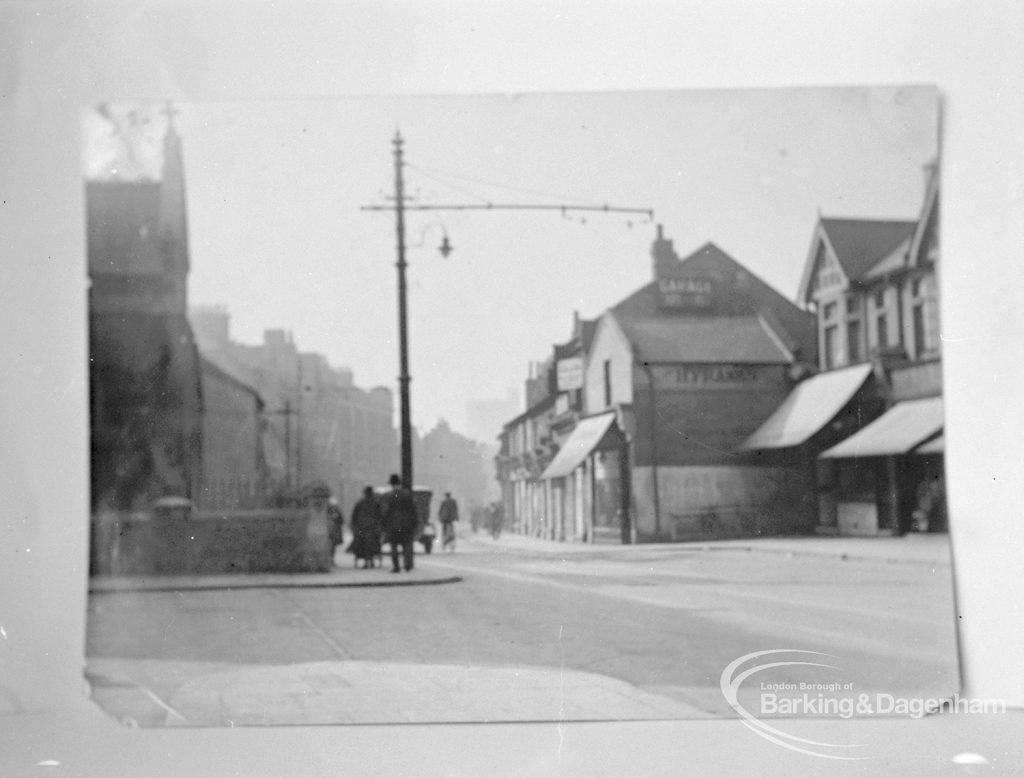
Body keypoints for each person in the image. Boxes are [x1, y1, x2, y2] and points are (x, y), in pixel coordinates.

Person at [382, 473, 418, 572]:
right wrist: (414, 523)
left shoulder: (389, 496)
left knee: (393, 546)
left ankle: (396, 567)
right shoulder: (407, 494)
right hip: (406, 524)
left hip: (393, 525)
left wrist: (384, 523)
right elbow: (413, 510)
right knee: (406, 545)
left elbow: (386, 511)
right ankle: (407, 565)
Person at [348, 485, 382, 568]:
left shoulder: (360, 503)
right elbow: (380, 515)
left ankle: (366, 560)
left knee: (362, 544)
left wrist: (355, 526)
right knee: (372, 544)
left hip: (361, 528)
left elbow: (354, 516)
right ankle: (371, 559)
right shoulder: (376, 503)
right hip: (373, 528)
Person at [326, 497, 345, 565]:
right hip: (330, 531)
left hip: (334, 531)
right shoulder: (327, 511)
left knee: (333, 547)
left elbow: (342, 521)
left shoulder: (337, 511)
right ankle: (329, 559)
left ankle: (331, 559)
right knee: (330, 546)